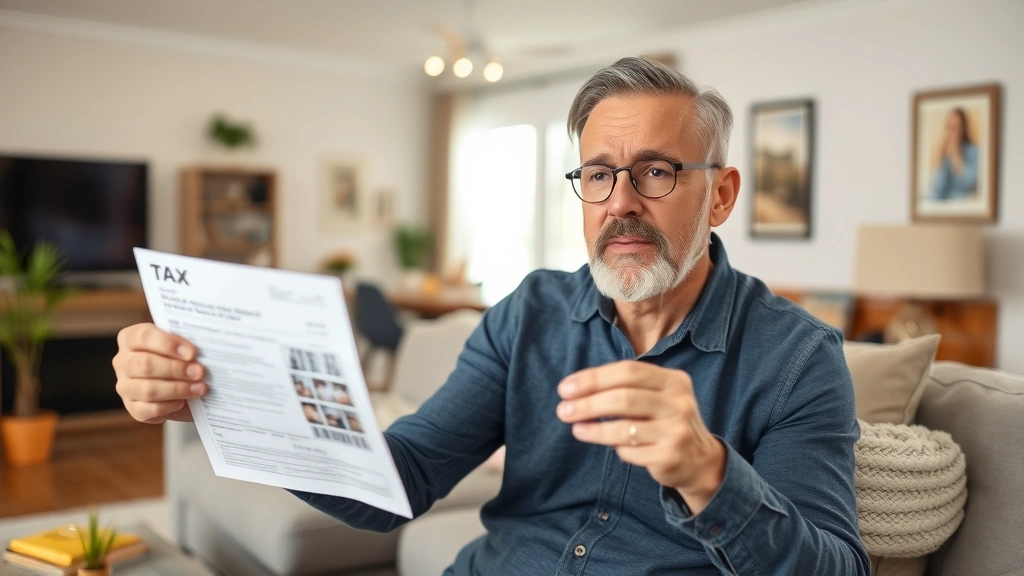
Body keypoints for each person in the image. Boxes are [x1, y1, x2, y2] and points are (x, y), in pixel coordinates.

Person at [112, 56, 869, 575]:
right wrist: (228, 394)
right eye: (599, 174)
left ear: (723, 194)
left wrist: (710, 474)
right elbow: (399, 484)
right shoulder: (530, 314)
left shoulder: (797, 359)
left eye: (657, 172)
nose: (622, 203)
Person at [930, 107, 980, 201]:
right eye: (950, 127)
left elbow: (970, 184)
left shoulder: (974, 152)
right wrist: (940, 158)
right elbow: (937, 190)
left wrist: (956, 157)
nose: (952, 132)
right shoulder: (945, 155)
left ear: (963, 128)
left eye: (956, 127)